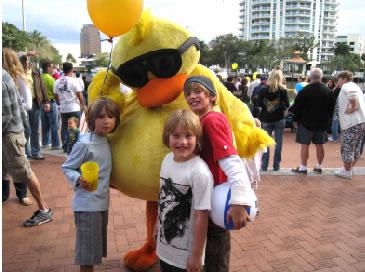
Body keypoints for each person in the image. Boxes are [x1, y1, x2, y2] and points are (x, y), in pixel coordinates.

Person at [184, 76, 256, 272]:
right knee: (212, 254)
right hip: (209, 198)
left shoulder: (212, 120)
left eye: (198, 91)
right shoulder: (202, 120)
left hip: (216, 199)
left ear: (212, 96)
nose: (192, 96)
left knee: (216, 258)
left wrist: (240, 200)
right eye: (188, 93)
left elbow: (231, 161)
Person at [62, 97, 120, 272]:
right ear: (91, 119)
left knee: (93, 250)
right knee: (87, 254)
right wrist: (78, 179)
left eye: (111, 116)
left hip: (101, 203)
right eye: (101, 117)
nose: (107, 121)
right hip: (87, 206)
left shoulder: (107, 140)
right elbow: (67, 167)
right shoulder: (85, 143)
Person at [156, 109, 213, 272]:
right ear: (167, 137)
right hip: (164, 250)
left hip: (185, 258)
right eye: (176, 135)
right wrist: (156, 224)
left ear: (197, 139)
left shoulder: (199, 172)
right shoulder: (167, 160)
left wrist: (196, 256)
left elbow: (202, 216)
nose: (183, 142)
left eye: (189, 136)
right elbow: (161, 196)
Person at [2, 69, 53, 226]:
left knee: (25, 172)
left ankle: (44, 210)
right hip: (11, 133)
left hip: (9, 134)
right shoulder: (5, 75)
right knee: (7, 170)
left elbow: (5, 115)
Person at [2, 48, 33, 206]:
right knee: (3, 164)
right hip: (6, 128)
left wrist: (15, 106)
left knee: (19, 162)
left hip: (17, 125)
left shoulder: (17, 78)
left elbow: (28, 104)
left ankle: (22, 194)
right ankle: (4, 194)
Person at [291, 68, 335, 174]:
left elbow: (297, 108)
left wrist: (295, 120)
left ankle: (303, 167)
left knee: (304, 145)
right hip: (322, 123)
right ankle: (319, 166)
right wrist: (327, 121)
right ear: (321, 77)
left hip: (305, 123)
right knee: (319, 145)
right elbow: (332, 109)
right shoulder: (328, 92)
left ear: (310, 77)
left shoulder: (303, 91)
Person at [333, 71, 365, 179]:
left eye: (338, 79)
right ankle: (348, 169)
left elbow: (352, 95)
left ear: (344, 79)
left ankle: (347, 171)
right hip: (360, 122)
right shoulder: (356, 86)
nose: (337, 82)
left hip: (352, 123)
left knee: (347, 147)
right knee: (356, 148)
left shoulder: (347, 86)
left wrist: (353, 107)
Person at [19, 53, 50, 160]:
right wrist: (26, 53)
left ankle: (36, 151)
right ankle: (26, 153)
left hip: (35, 103)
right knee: (26, 129)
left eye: (28, 61)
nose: (27, 63)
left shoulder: (36, 72)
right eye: (25, 61)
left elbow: (43, 87)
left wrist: (46, 102)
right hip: (22, 104)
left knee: (36, 129)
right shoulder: (17, 73)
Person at [258, 69, 289, 171]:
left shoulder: (263, 89)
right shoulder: (283, 90)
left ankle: (264, 165)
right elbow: (287, 104)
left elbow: (259, 104)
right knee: (278, 142)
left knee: (266, 143)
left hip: (266, 119)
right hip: (279, 119)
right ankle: (276, 165)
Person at [54, 62, 84, 153]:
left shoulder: (57, 81)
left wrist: (59, 103)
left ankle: (64, 146)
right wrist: (83, 104)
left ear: (63, 70)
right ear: (72, 70)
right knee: (74, 128)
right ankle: (72, 147)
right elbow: (79, 94)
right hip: (74, 107)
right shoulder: (74, 80)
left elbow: (55, 95)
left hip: (64, 109)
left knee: (64, 127)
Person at [41, 61, 61, 149]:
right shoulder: (50, 79)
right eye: (52, 67)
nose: (52, 69)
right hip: (51, 102)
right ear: (48, 68)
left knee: (44, 124)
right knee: (54, 124)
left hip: (41, 103)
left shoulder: (40, 77)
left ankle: (45, 142)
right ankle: (55, 144)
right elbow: (56, 92)